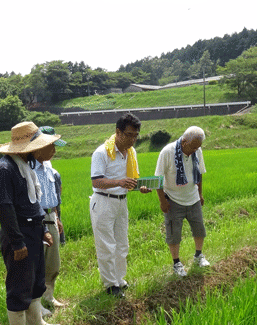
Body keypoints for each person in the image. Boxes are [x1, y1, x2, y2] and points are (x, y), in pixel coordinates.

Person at [0, 121, 63, 325]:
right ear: (29, 148)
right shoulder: (4, 170)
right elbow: (4, 208)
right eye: (41, 145)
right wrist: (17, 242)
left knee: (35, 279)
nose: (45, 150)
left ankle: (36, 323)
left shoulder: (26, 166)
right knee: (19, 283)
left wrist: (43, 230)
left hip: (33, 231)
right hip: (18, 234)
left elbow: (34, 204)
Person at [90, 113, 150, 297]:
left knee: (122, 244)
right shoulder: (102, 152)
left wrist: (139, 187)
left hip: (121, 203)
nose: (133, 139)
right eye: (130, 134)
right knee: (106, 245)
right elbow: (96, 181)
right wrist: (120, 182)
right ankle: (110, 285)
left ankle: (119, 279)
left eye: (136, 135)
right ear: (118, 132)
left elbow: (130, 181)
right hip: (103, 202)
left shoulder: (131, 153)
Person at [154, 126, 210, 277]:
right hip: (173, 200)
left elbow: (200, 173)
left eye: (198, 147)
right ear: (184, 142)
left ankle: (199, 255)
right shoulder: (167, 152)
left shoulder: (197, 151)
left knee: (199, 229)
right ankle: (177, 264)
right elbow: (158, 179)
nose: (195, 150)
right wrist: (162, 201)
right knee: (174, 233)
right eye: (193, 147)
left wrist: (200, 194)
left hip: (193, 198)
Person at [32, 126, 67, 310]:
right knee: (38, 263)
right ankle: (36, 304)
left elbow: (52, 194)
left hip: (50, 216)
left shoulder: (48, 166)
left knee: (53, 263)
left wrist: (57, 217)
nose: (54, 151)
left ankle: (49, 296)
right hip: (36, 219)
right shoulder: (29, 168)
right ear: (39, 146)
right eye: (51, 146)